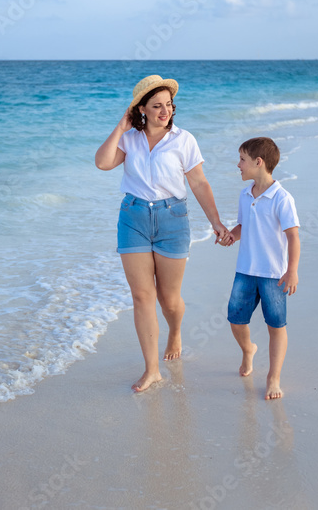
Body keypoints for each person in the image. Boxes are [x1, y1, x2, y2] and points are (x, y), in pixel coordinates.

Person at [95, 75, 228, 392]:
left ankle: (175, 330)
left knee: (169, 300)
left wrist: (217, 222)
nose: (164, 111)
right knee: (142, 297)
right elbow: (102, 163)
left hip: (172, 219)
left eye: (168, 105)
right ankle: (152, 370)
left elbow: (198, 183)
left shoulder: (184, 140)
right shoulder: (129, 139)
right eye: (156, 106)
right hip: (133, 218)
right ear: (141, 109)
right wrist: (121, 126)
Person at [218, 137, 300, 400]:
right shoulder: (245, 194)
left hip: (273, 274)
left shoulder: (282, 198)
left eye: (242, 159)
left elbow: (293, 237)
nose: (238, 164)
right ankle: (248, 350)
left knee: (276, 325)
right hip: (245, 270)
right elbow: (244, 226)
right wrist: (232, 235)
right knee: (235, 318)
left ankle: (273, 376)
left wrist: (292, 271)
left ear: (258, 162)